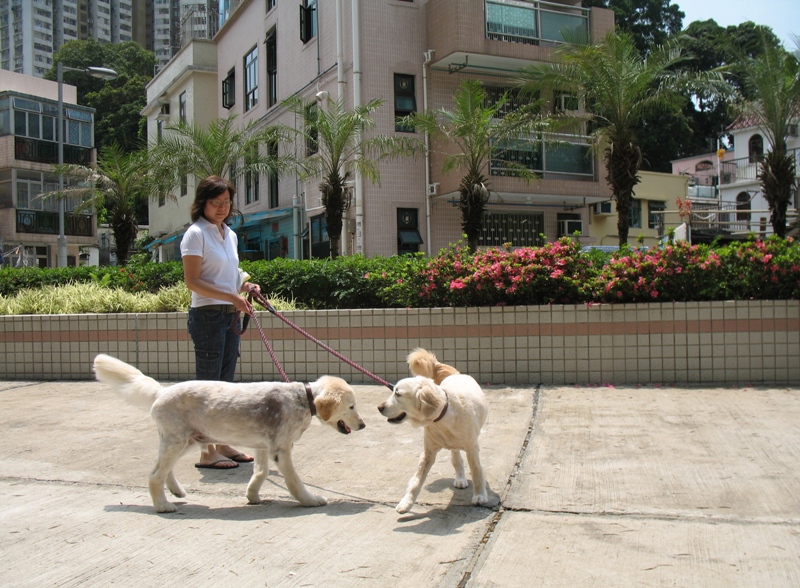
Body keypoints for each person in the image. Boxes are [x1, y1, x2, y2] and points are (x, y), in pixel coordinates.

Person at [180, 175, 261, 469]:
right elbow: (194, 282)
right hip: (208, 316)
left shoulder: (229, 234)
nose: (222, 207)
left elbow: (231, 273)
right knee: (208, 388)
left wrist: (246, 287)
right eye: (216, 202)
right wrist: (232, 299)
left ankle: (222, 443)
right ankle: (206, 452)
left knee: (224, 388)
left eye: (226, 202)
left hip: (229, 315)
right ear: (203, 203)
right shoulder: (195, 234)